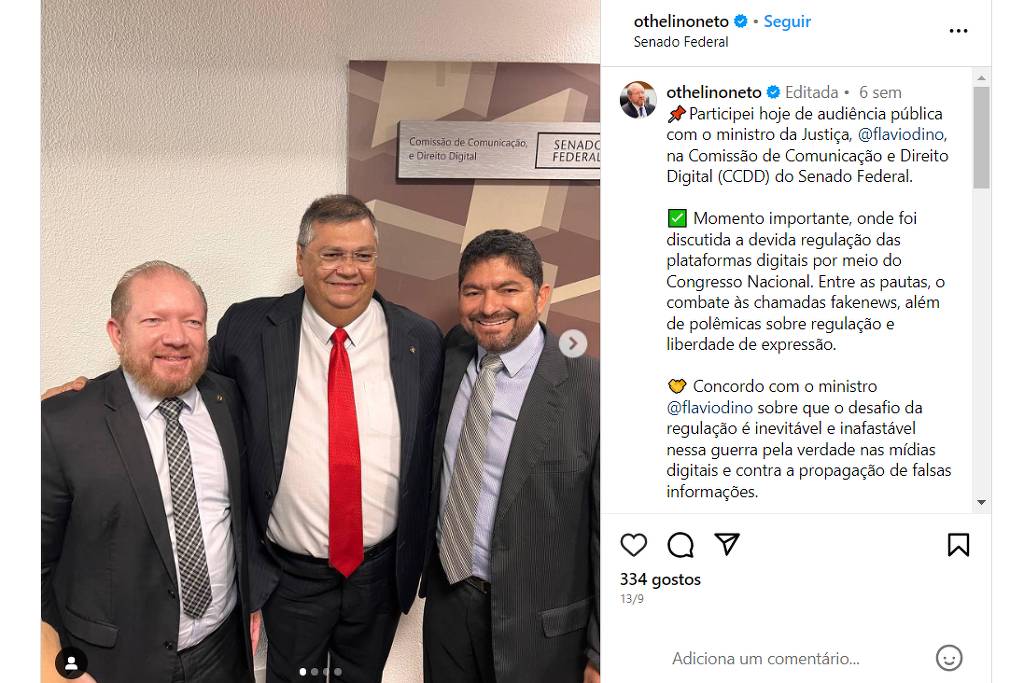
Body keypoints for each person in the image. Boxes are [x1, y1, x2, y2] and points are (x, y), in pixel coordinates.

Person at [208, 194, 443, 683]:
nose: (348, 269)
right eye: (332, 254)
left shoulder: (419, 338)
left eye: (362, 255)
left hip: (380, 575)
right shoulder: (248, 329)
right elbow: (179, 373)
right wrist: (91, 392)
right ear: (300, 260)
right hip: (290, 578)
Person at [42, 261, 254, 683]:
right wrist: (57, 664)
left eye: (192, 322)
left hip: (222, 651)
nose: (176, 337)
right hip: (112, 664)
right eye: (154, 320)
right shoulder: (61, 424)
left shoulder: (229, 399)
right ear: (117, 333)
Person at [421, 230, 600, 683]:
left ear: (541, 295)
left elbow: (612, 530)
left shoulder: (592, 387)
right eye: (473, 291)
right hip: (448, 604)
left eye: (508, 289)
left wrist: (602, 652)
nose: (488, 306)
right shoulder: (451, 354)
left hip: (542, 631)